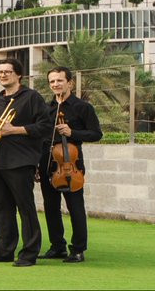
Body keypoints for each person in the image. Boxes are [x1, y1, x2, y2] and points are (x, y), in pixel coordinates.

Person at [0, 57, 52, 267]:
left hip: (20, 161)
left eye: (8, 71)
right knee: (1, 209)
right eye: (0, 72)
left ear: (18, 74)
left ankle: (29, 253)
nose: (3, 75)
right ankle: (4, 250)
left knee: (25, 209)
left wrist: (14, 130)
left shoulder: (31, 97)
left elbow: (45, 126)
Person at [39, 66, 102, 263]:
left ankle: (78, 249)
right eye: (52, 81)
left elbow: (96, 134)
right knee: (51, 207)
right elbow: (40, 136)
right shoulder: (46, 108)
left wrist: (72, 132)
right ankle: (57, 246)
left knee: (75, 207)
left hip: (70, 163)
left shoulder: (83, 107)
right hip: (48, 162)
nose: (56, 84)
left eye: (59, 80)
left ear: (70, 83)